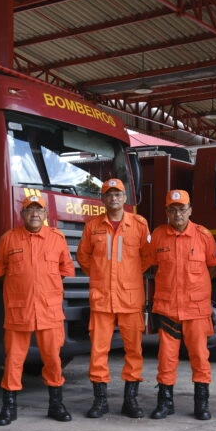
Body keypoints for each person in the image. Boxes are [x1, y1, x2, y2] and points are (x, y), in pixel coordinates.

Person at [0, 195, 76, 425]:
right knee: (14, 360)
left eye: (39, 210)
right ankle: (9, 407)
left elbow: (66, 269)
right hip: (19, 310)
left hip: (49, 312)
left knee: (53, 360)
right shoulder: (9, 239)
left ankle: (56, 404)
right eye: (30, 210)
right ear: (22, 214)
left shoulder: (57, 239)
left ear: (46, 215)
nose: (34, 214)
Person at [77, 178, 152, 418]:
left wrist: (128, 276)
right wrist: (100, 275)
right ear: (103, 199)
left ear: (125, 198)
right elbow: (83, 257)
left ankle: (130, 400)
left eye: (118, 194)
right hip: (102, 298)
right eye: (109, 194)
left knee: (134, 351)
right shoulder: (93, 226)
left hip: (130, 298)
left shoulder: (139, 224)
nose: (113, 198)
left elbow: (148, 257)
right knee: (98, 351)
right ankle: (100, 401)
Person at [148, 190, 216, 421]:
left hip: (196, 310)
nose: (177, 213)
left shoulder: (203, 236)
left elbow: (213, 266)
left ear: (190, 210)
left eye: (182, 209)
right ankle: (165, 402)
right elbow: (151, 266)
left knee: (200, 356)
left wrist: (197, 287)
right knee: (166, 358)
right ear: (167, 212)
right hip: (168, 308)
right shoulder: (158, 235)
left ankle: (201, 403)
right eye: (172, 209)